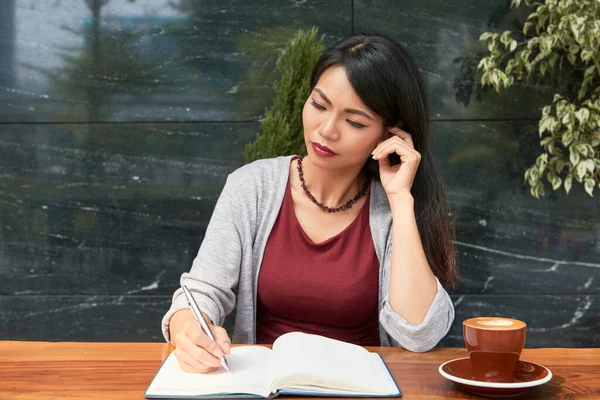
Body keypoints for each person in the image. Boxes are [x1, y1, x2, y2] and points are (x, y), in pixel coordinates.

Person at [162, 33, 458, 373]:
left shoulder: (393, 207)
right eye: (318, 105)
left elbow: (420, 335)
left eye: (355, 122)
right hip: (265, 387)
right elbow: (200, 293)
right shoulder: (251, 188)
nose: (327, 130)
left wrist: (401, 201)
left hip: (360, 391)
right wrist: (187, 328)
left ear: (389, 133)